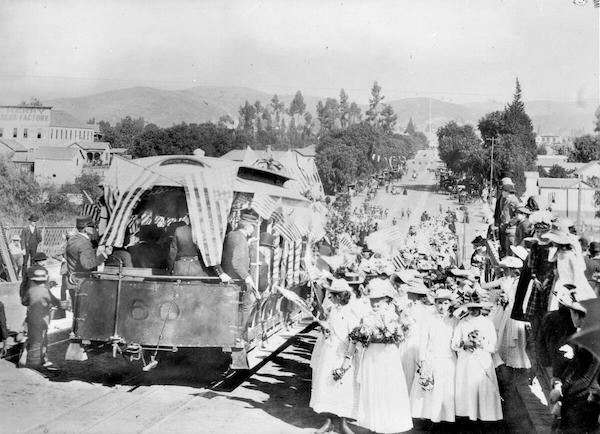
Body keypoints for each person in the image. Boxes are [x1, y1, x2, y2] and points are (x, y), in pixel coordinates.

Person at [337, 278, 413, 433]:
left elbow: (405, 333)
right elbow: (356, 338)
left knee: (388, 389)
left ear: (386, 300)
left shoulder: (394, 317)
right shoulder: (366, 318)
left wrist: (401, 318)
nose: (375, 303)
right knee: (373, 388)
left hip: (387, 356)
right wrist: (348, 357)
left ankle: (390, 424)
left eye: (379, 300)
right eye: (372, 300)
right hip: (371, 356)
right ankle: (374, 425)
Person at [310, 279, 360, 434]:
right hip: (329, 352)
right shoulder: (332, 310)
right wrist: (325, 330)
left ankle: (343, 423)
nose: (329, 297)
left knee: (342, 387)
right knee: (326, 384)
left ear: (341, 296)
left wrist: (347, 358)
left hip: (342, 354)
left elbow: (354, 337)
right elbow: (331, 329)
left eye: (332, 295)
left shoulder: (351, 312)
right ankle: (328, 422)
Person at [550, 290, 600, 433]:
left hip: (586, 402)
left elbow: (588, 378)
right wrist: (558, 386)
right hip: (576, 399)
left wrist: (562, 393)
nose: (571, 317)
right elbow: (573, 368)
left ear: (580, 316)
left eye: (572, 313)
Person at [451, 294, 503, 422]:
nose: (473, 311)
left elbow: (493, 346)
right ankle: (468, 416)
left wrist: (481, 343)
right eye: (470, 308)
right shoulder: (462, 323)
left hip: (482, 361)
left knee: (483, 388)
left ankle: (485, 416)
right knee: (468, 388)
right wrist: (464, 345)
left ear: (481, 308)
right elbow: (454, 344)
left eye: (476, 308)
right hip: (467, 362)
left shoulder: (487, 323)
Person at [410, 288, 457, 423]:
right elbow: (423, 341)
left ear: (450, 304)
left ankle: (446, 418)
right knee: (430, 389)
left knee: (446, 389)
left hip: (448, 359)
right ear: (435, 303)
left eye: (445, 303)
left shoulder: (454, 320)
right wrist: (423, 361)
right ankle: (430, 418)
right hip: (432, 357)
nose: (442, 307)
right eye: (439, 303)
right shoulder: (428, 319)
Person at [222, 216, 261, 328]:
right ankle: (239, 334)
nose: (254, 229)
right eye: (253, 226)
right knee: (246, 306)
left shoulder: (232, 235)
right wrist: (247, 277)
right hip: (237, 280)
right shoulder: (240, 239)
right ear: (247, 227)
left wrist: (247, 244)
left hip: (229, 278)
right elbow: (236, 263)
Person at [65, 216, 112, 304]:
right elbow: (87, 265)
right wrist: (104, 254)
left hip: (72, 281)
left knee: (77, 314)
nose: (96, 229)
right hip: (82, 283)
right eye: (93, 227)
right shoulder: (85, 243)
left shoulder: (72, 239)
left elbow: (73, 255)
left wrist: (93, 251)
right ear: (87, 229)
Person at [22, 267, 61, 369]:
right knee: (43, 339)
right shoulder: (45, 291)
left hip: (31, 318)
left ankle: (29, 359)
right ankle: (41, 360)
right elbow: (55, 301)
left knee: (33, 338)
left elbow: (24, 302)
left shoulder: (30, 290)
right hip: (43, 320)